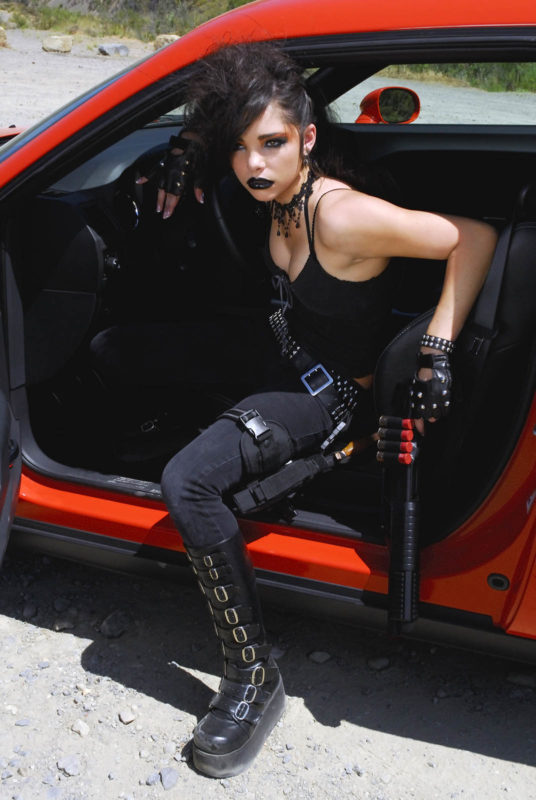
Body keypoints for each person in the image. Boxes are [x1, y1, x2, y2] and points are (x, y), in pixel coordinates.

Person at [155, 42, 497, 778]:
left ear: (307, 138)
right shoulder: (273, 188)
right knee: (122, 350)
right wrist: (186, 151)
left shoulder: (341, 217)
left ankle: (252, 676)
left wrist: (437, 348)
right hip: (281, 351)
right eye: (239, 148)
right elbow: (236, 145)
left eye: (272, 144)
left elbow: (473, 238)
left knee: (187, 481)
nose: (253, 164)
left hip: (329, 395)